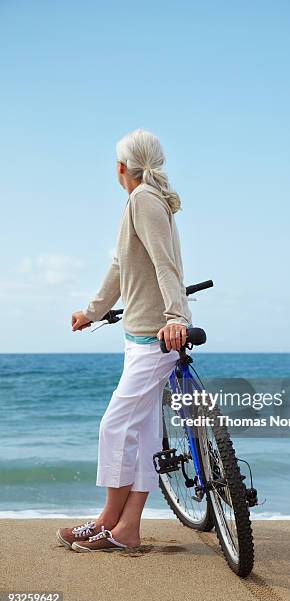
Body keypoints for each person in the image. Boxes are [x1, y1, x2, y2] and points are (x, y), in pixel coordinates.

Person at [57, 128, 192, 552]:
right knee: (143, 435)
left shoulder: (143, 200)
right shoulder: (138, 203)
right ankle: (126, 528)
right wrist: (92, 311)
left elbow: (163, 262)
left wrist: (176, 315)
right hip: (139, 336)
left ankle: (106, 519)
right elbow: (120, 266)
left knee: (115, 426)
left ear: (120, 167)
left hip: (157, 337)